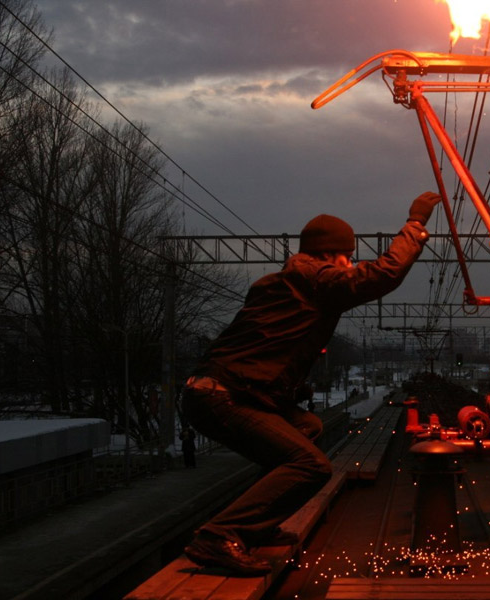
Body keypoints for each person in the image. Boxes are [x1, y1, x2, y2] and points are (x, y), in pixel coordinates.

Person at [181, 191, 441, 575]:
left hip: (224, 391)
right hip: (223, 397)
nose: (350, 263)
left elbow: (266, 349)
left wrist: (288, 389)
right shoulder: (316, 279)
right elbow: (384, 274)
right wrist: (415, 225)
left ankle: (257, 527)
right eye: (348, 256)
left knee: (307, 427)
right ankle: (220, 535)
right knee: (310, 466)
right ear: (333, 254)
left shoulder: (289, 283)